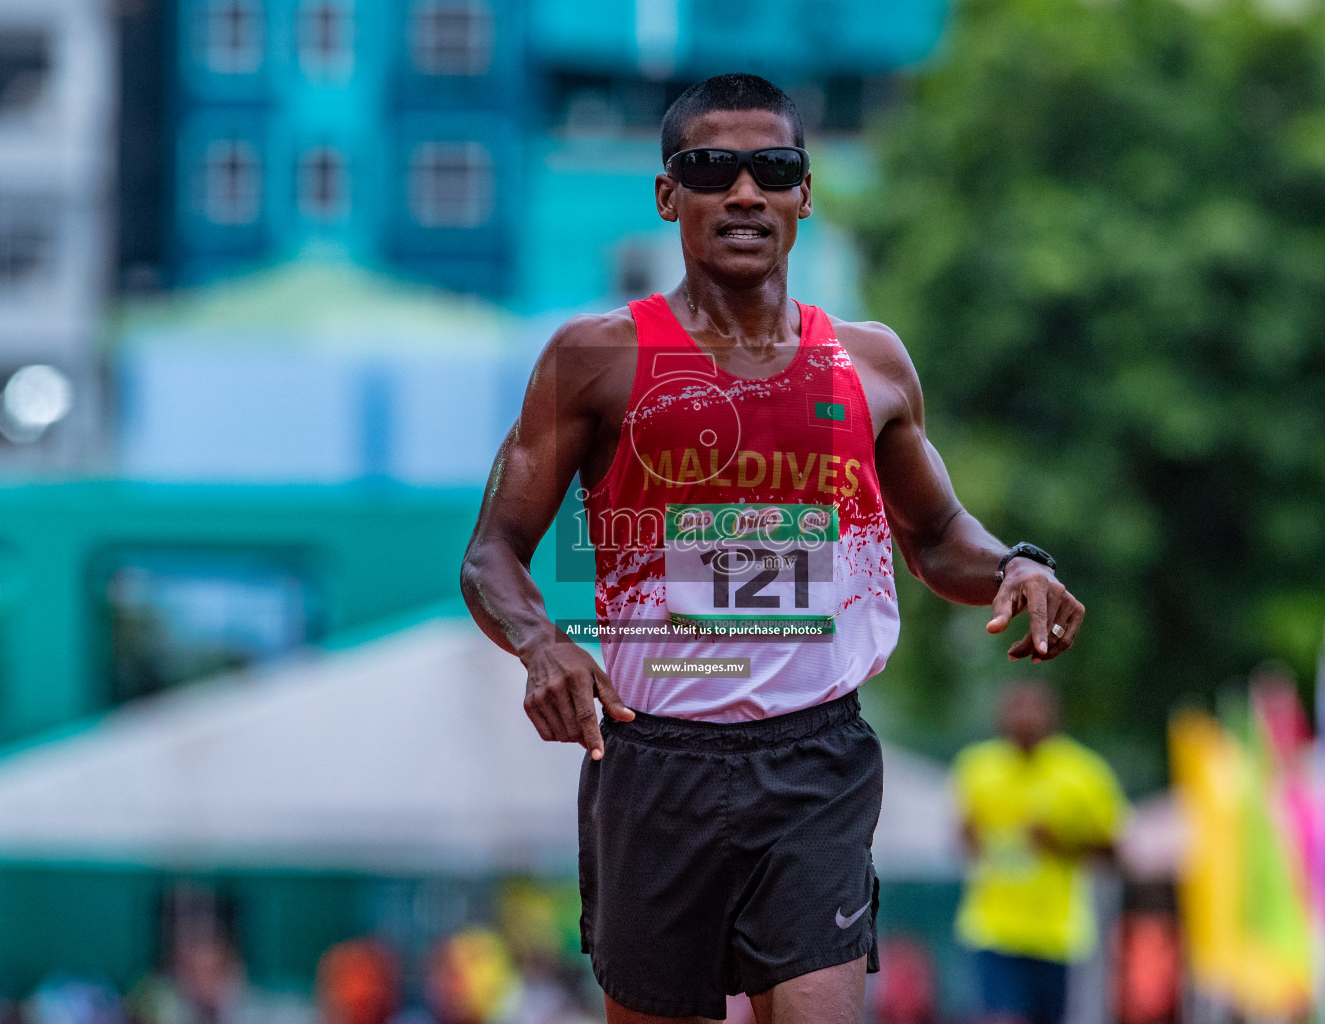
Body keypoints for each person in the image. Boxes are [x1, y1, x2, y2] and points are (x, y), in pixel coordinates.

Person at [461, 73, 1085, 1024]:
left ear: (804, 193)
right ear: (669, 196)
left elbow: (936, 535)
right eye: (712, 168)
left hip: (814, 760)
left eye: (773, 168)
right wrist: (542, 643)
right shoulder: (597, 360)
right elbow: (492, 554)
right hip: (652, 761)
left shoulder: (869, 363)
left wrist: (1015, 565)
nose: (744, 192)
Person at [950, 681, 1127, 1024]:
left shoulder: (1083, 774)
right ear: (1000, 716)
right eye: (1018, 707)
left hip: (1056, 934)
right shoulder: (976, 768)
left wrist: (1060, 842)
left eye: (1035, 708)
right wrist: (971, 837)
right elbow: (964, 842)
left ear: (1054, 716)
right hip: (993, 929)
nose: (1026, 717)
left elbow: (1115, 852)